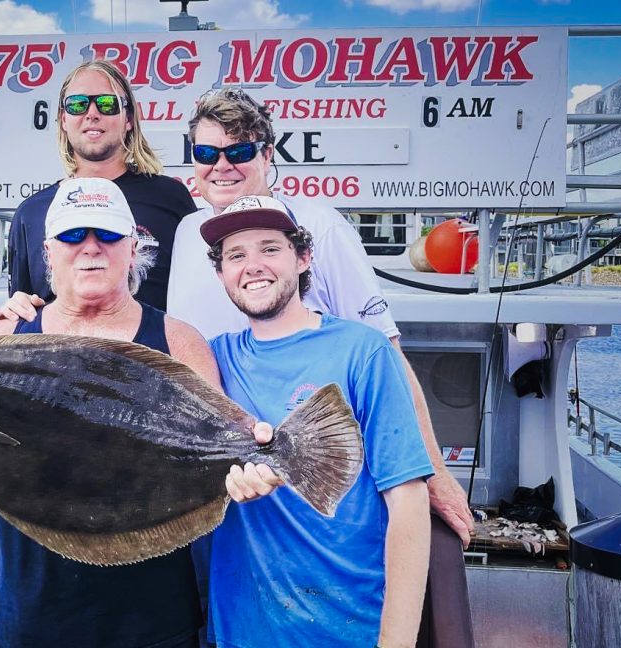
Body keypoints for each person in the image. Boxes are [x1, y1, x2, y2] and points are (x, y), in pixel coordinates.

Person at [166, 87, 474, 648]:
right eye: (207, 153)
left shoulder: (324, 236)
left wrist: (432, 471)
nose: (222, 165)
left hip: (340, 574)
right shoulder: (191, 239)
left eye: (240, 151)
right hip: (238, 572)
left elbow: (386, 353)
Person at [0, 177, 267, 648]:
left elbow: (220, 450)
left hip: (151, 610)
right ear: (48, 252)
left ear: (132, 249)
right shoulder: (1, 340)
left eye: (107, 234)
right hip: (26, 603)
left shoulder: (178, 341)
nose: (90, 247)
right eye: (73, 235)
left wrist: (255, 463)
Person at [202, 194, 433, 648]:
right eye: (236, 255)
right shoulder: (212, 359)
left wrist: (397, 641)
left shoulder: (363, 351)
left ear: (304, 257)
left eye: (270, 248)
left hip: (350, 626)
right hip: (242, 631)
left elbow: (408, 498)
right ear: (221, 273)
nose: (253, 266)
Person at [5, 59, 196, 312]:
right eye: (77, 104)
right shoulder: (30, 213)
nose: (92, 113)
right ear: (63, 119)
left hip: (152, 338)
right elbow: (23, 308)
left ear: (128, 119)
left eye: (107, 104)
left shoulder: (171, 198)